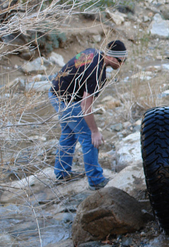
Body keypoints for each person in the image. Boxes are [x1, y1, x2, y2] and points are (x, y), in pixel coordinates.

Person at [49, 40, 127, 190]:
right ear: (111, 57)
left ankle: (62, 173)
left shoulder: (92, 52)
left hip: (55, 93)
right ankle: (96, 180)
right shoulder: (97, 72)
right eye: (121, 61)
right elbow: (85, 105)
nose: (122, 64)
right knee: (90, 139)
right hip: (68, 101)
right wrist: (95, 131)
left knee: (68, 133)